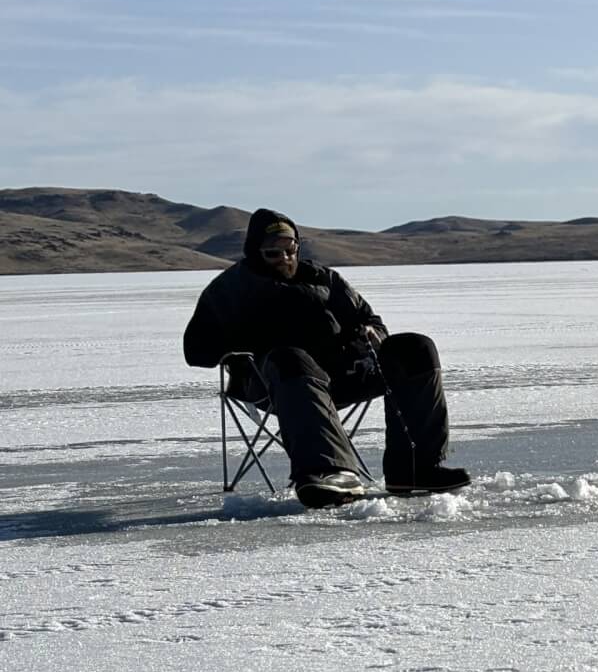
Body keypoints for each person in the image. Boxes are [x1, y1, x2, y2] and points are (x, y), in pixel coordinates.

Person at [184, 209, 470, 508]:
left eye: (290, 249)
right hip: (274, 381)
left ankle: (415, 468)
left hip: (343, 373)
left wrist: (371, 332)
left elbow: (369, 318)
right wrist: (240, 347)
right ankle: (328, 472)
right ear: (256, 252)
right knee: (292, 357)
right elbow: (196, 350)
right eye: (273, 253)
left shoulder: (324, 278)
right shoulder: (230, 289)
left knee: (415, 348)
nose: (284, 258)